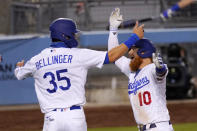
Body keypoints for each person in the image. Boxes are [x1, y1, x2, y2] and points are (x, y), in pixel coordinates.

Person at [14, 10, 144, 131]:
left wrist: (19, 66)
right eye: (73, 34)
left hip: (51, 119)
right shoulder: (78, 55)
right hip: (74, 117)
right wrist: (134, 37)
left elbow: (19, 74)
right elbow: (113, 56)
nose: (75, 37)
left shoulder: (36, 60)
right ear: (65, 35)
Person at [108, 8, 174, 131]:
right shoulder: (132, 71)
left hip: (159, 127)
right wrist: (113, 30)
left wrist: (160, 67)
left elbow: (161, 72)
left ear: (143, 52)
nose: (130, 53)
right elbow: (114, 55)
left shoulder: (152, 69)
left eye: (133, 50)